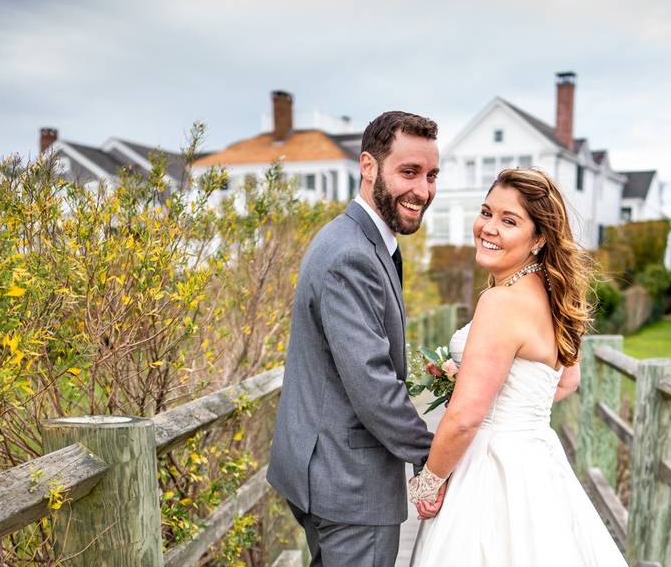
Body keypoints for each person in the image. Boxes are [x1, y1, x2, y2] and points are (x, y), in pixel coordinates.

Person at [408, 168, 628, 566]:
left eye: (509, 221)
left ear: (539, 238)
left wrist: (428, 483)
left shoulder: (501, 302)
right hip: (537, 462)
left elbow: (464, 418)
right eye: (486, 212)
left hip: (489, 471)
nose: (488, 228)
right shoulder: (555, 300)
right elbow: (567, 382)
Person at [267, 111, 444, 566]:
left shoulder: (362, 241)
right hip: (348, 485)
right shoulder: (351, 254)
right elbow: (372, 382)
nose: (422, 191)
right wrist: (432, 459)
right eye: (409, 172)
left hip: (331, 471)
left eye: (431, 175)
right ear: (368, 167)